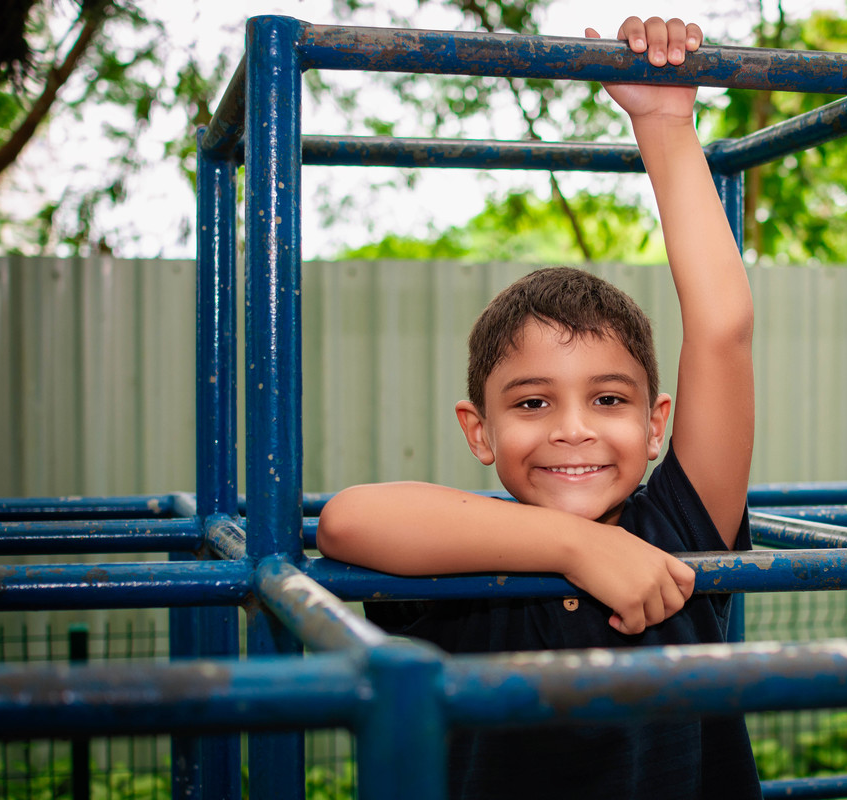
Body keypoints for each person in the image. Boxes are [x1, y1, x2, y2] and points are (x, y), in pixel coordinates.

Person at [317, 15, 760, 800]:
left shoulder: (684, 531)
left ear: (657, 424)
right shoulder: (465, 551)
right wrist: (572, 547)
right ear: (478, 431)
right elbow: (348, 519)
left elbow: (722, 329)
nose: (572, 427)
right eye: (531, 402)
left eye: (609, 399)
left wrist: (663, 122)